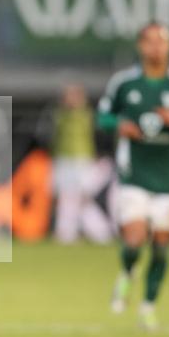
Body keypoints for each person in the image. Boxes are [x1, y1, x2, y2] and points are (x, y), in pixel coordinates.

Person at [97, 22, 169, 331]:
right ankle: (127, 272)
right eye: (150, 41)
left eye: (162, 41)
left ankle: (148, 306)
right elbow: (102, 116)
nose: (156, 47)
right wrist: (119, 124)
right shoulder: (124, 83)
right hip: (134, 174)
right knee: (134, 240)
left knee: (161, 245)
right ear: (140, 45)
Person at [50, 83, 97, 243]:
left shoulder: (86, 114)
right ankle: (65, 233)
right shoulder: (60, 115)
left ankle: (99, 233)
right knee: (65, 199)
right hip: (64, 159)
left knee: (83, 200)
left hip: (82, 160)